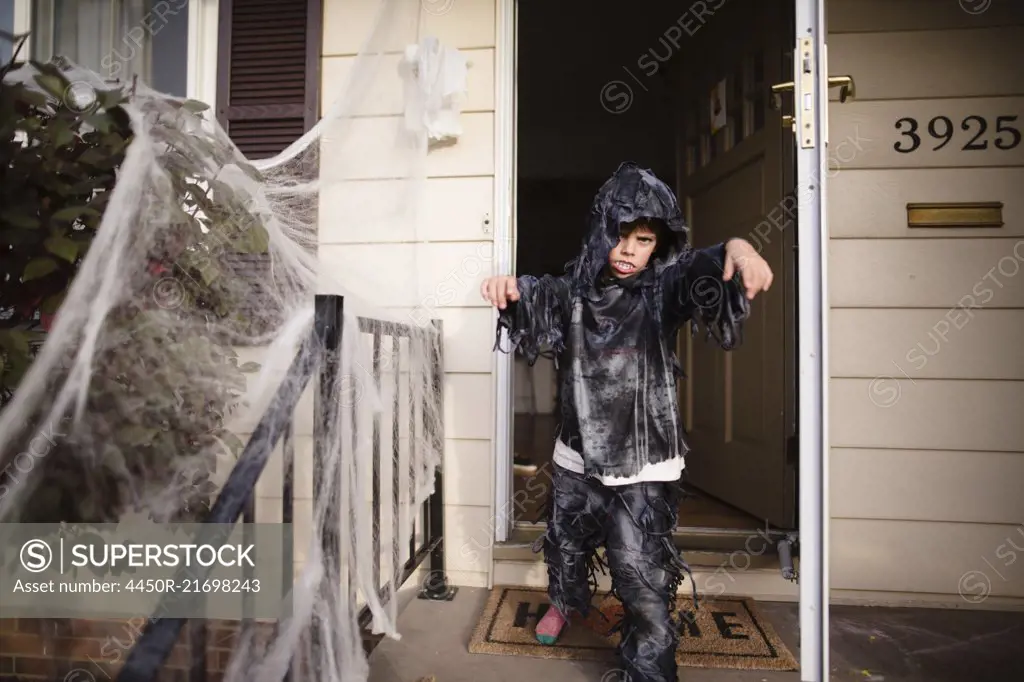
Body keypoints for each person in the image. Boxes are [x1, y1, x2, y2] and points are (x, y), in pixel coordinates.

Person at [480, 162, 773, 682]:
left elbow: (706, 266)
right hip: (576, 455)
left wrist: (741, 250)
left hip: (643, 464)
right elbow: (534, 291)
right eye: (618, 236)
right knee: (565, 545)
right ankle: (566, 603)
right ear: (599, 233)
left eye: (642, 239)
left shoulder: (665, 288)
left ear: (657, 244)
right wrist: (509, 285)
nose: (628, 250)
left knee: (639, 574)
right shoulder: (573, 290)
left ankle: (649, 669)